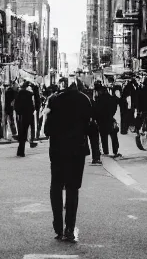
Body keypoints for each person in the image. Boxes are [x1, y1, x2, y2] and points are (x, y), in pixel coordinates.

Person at [43, 77, 92, 243]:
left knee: (56, 186)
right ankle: (70, 226)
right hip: (77, 150)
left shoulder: (54, 100)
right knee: (72, 188)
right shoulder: (85, 100)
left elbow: (47, 129)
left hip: (57, 150)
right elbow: (89, 126)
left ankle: (57, 224)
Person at [92, 82, 120, 159]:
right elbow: (114, 108)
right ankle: (115, 151)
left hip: (101, 121)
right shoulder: (111, 99)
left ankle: (106, 151)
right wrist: (111, 115)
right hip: (110, 119)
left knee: (103, 137)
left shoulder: (98, 100)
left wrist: (95, 119)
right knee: (113, 136)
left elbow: (95, 111)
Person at [15, 82, 38, 157]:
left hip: (22, 115)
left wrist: (19, 112)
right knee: (27, 131)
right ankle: (23, 149)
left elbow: (16, 105)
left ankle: (20, 150)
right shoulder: (30, 94)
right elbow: (36, 104)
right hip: (28, 114)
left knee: (22, 132)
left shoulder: (20, 93)